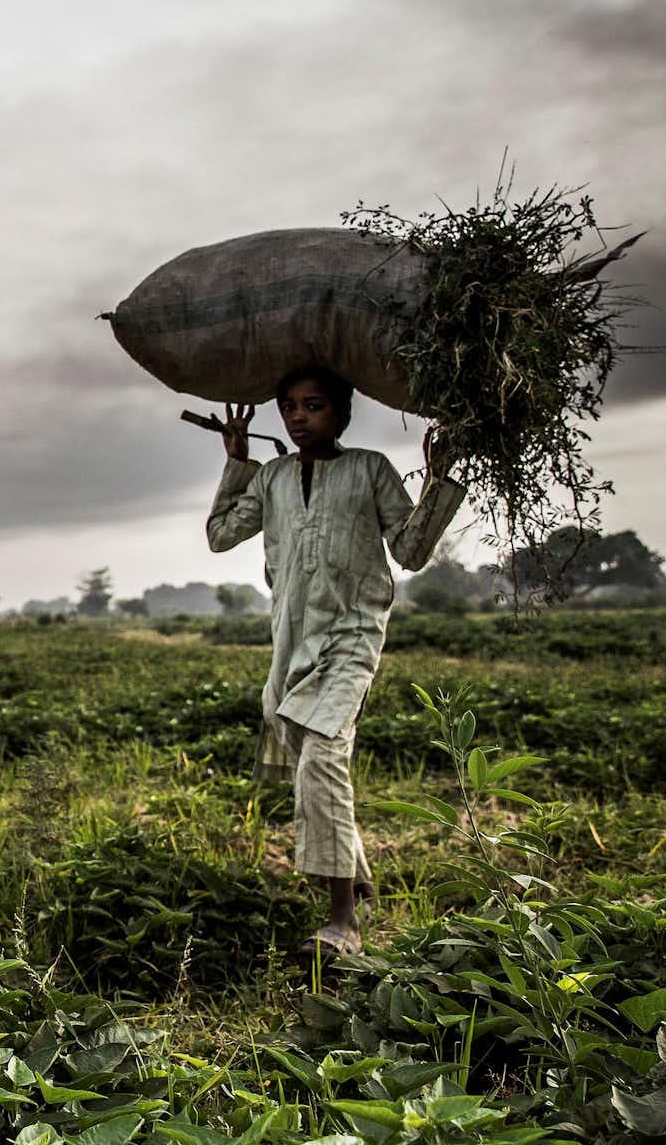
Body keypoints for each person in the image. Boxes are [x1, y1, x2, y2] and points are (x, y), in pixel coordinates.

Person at [208, 363, 463, 958]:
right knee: (308, 758)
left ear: (341, 412)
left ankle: (343, 919)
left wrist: (440, 479)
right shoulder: (269, 478)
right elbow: (220, 534)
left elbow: (411, 549)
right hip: (290, 642)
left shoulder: (368, 468)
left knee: (323, 755)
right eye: (289, 407)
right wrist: (238, 461)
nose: (298, 416)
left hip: (352, 634)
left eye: (313, 405)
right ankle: (363, 882)